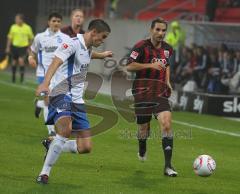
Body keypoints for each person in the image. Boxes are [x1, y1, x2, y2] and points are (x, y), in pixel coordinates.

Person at [35, 19, 111, 184]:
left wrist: (102, 55)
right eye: (102, 37)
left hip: (77, 99)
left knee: (85, 147)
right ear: (94, 32)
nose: (103, 40)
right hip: (61, 93)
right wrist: (45, 83)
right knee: (66, 129)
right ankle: (44, 173)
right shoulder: (72, 43)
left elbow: (89, 55)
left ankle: (52, 144)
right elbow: (56, 61)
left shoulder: (88, 47)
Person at [126, 17, 177, 177]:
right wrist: (150, 65)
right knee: (143, 129)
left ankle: (168, 166)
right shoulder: (141, 47)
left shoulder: (168, 48)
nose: (161, 33)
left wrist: (167, 80)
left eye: (163, 30)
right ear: (151, 30)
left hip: (160, 92)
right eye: (158, 30)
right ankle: (142, 145)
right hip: (142, 93)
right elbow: (129, 66)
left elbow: (166, 64)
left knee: (166, 124)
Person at [28, 12, 69, 136]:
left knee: (53, 101)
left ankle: (39, 104)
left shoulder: (65, 38)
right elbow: (32, 50)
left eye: (58, 21)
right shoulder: (40, 37)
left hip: (59, 75)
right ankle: (51, 131)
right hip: (43, 73)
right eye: (54, 21)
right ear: (48, 22)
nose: (56, 23)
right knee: (48, 100)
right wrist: (30, 58)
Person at [5, 13, 34, 83]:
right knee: (14, 62)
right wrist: (8, 47)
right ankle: (13, 78)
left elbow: (31, 38)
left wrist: (29, 47)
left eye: (17, 19)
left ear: (21, 20)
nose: (16, 20)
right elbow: (10, 38)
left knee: (21, 61)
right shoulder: (13, 27)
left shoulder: (27, 28)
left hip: (23, 47)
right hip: (15, 47)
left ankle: (21, 79)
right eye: (16, 19)